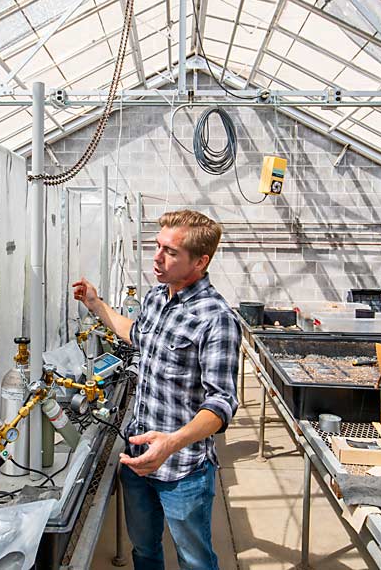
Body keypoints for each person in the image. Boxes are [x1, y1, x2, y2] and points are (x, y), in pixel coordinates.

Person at [71, 209, 240, 570]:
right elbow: (135, 333)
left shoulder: (216, 318)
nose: (157, 257)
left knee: (195, 559)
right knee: (144, 551)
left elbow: (221, 403)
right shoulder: (155, 297)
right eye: (158, 246)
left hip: (183, 470)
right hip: (137, 460)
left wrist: (171, 443)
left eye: (171, 252)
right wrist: (96, 305)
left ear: (201, 261)